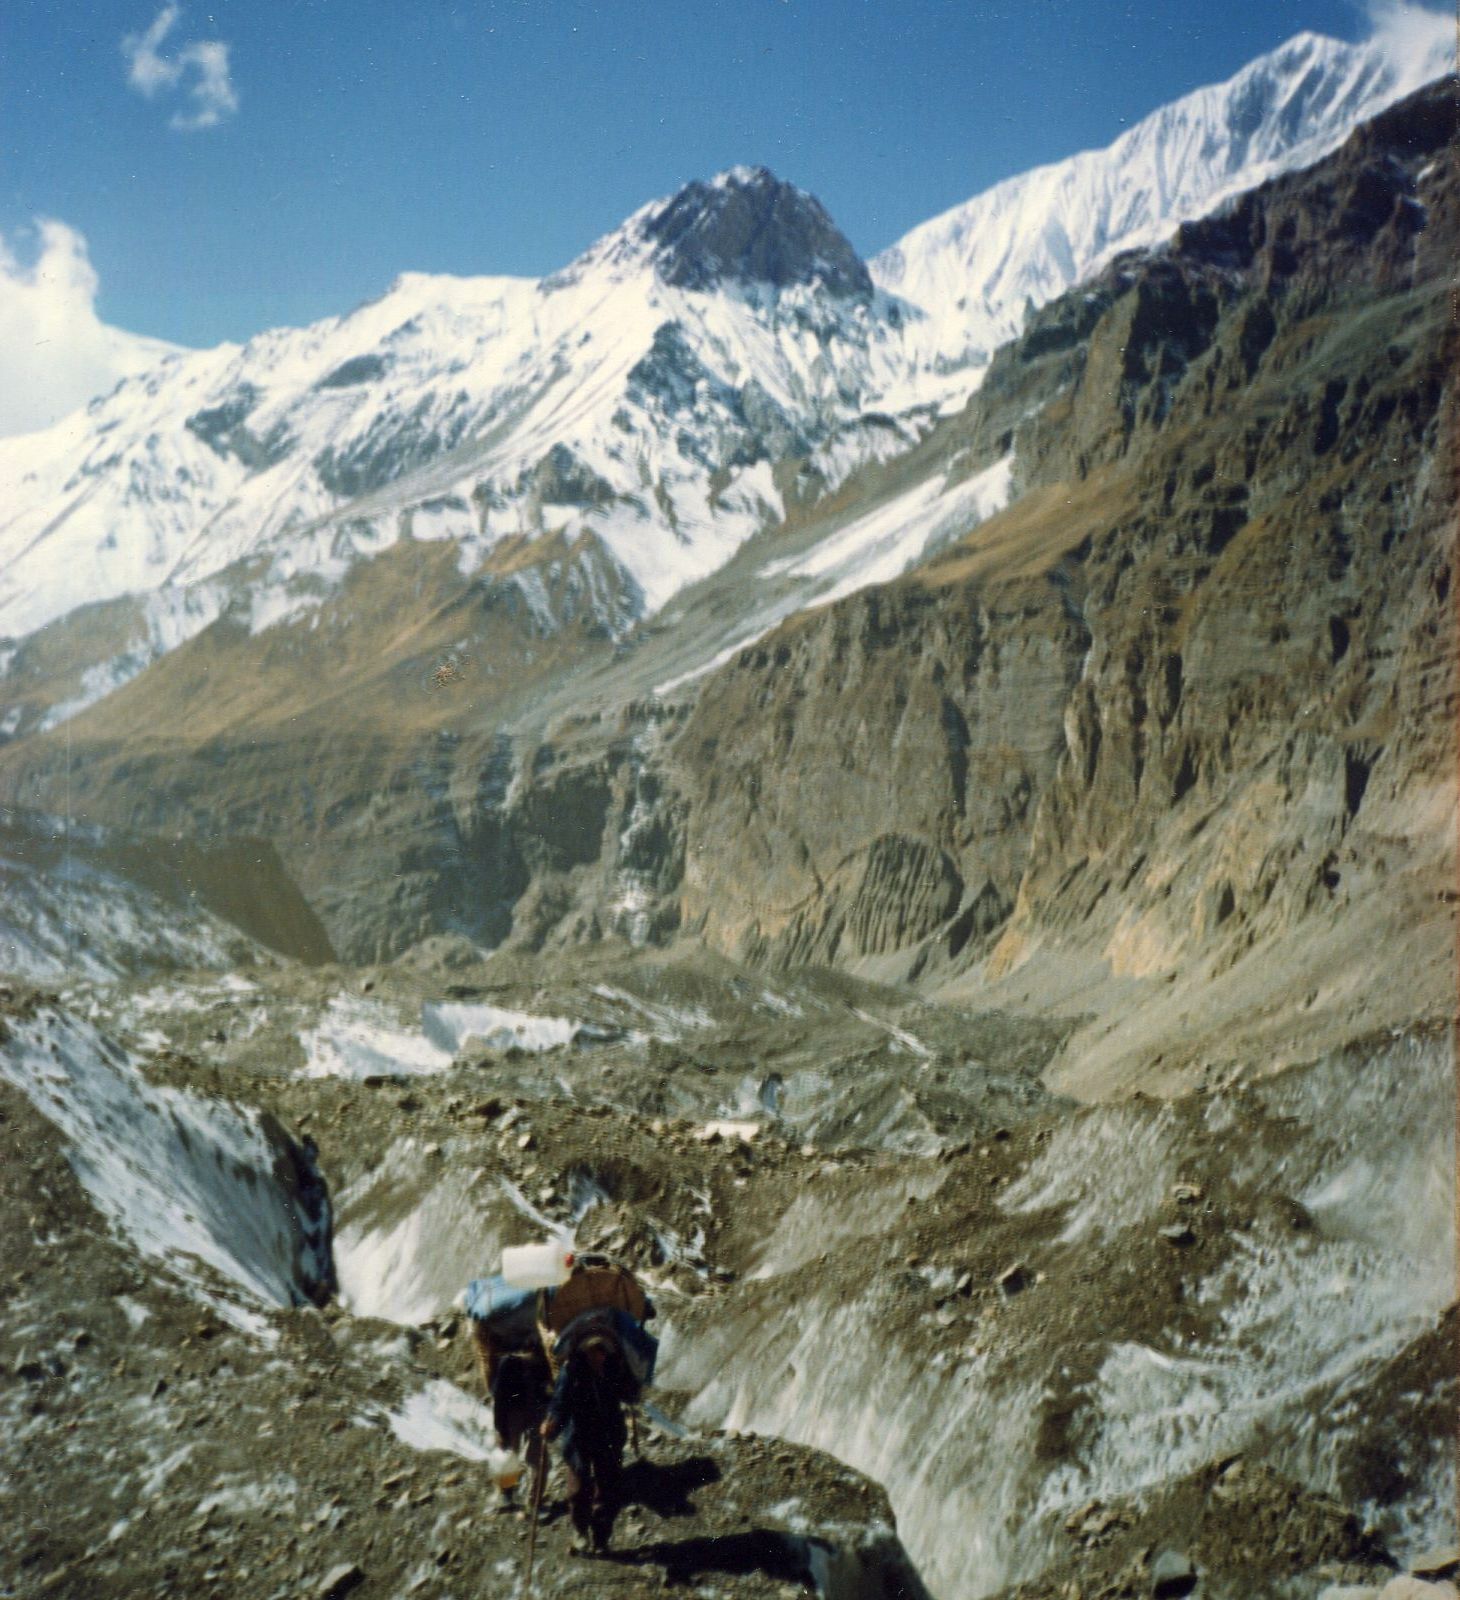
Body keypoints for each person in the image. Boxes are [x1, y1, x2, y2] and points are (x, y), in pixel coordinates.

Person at [539, 1333, 638, 1554]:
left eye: (602, 1350)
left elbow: (629, 1393)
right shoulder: (571, 1371)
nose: (600, 1355)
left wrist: (632, 1384)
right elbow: (559, 1401)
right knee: (578, 1489)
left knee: (608, 1488)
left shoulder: (614, 1367)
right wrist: (552, 1421)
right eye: (595, 1351)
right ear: (585, 1352)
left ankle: (601, 1538)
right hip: (580, 1436)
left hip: (608, 1435)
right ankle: (580, 1532)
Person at [470, 1320, 552, 1511]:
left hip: (534, 1412)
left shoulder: (539, 1363)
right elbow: (500, 1400)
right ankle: (511, 1496)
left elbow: (549, 1388)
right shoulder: (511, 1364)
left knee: (536, 1457)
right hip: (515, 1413)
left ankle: (533, 1500)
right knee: (512, 1455)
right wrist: (500, 1429)